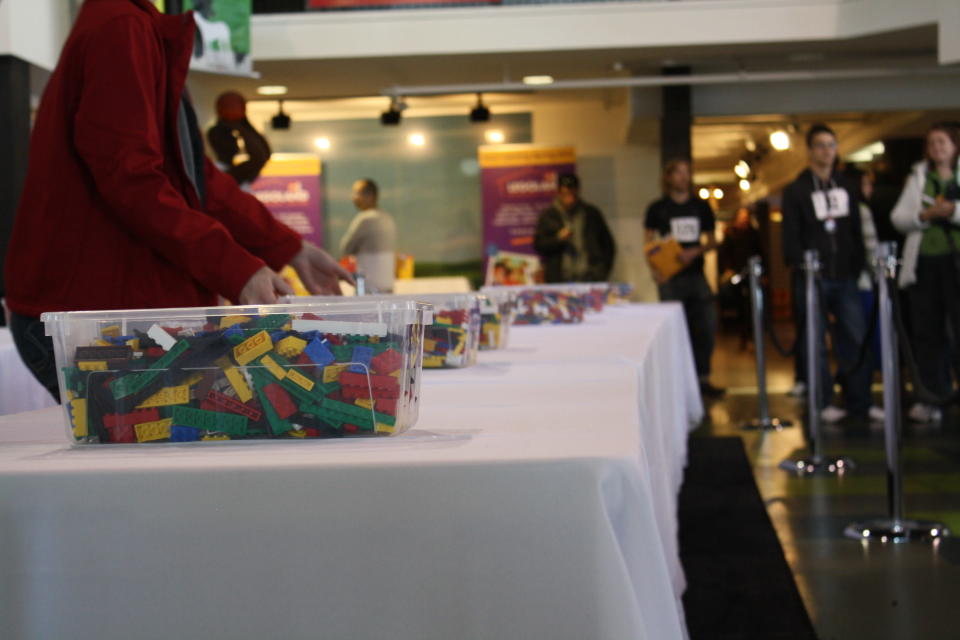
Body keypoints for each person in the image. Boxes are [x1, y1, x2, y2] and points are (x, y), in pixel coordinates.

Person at [3, 0, 351, 401]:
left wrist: (290, 249)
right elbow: (131, 178)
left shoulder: (134, 25)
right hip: (94, 316)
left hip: (107, 310)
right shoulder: (120, 25)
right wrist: (236, 268)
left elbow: (194, 178)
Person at [781, 124, 879, 423]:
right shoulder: (797, 190)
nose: (827, 151)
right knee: (815, 343)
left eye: (831, 145)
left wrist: (860, 264)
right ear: (810, 150)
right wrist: (801, 263)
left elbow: (854, 229)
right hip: (812, 277)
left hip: (846, 275)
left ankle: (860, 402)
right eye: (821, 145)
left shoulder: (847, 185)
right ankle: (822, 403)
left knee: (855, 338)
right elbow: (791, 235)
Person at [891, 122, 960, 423]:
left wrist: (953, 212)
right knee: (928, 333)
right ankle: (932, 396)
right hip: (926, 265)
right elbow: (899, 218)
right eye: (932, 143)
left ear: (955, 145)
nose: (937, 148)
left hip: (956, 262)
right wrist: (924, 215)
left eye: (942, 142)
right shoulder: (919, 177)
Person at [644, 159, 724, 398]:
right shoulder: (657, 209)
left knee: (706, 325)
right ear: (668, 177)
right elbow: (649, 243)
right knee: (674, 330)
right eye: (678, 173)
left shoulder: (700, 207)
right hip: (670, 276)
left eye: (686, 173)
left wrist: (696, 251)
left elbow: (712, 240)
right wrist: (655, 269)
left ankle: (703, 377)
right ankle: (676, 379)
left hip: (695, 274)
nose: (683, 178)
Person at [533, 173, 616, 283]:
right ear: (558, 193)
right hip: (559, 279)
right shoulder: (549, 215)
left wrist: (601, 271)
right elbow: (539, 245)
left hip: (590, 278)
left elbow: (608, 245)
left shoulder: (591, 214)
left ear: (578, 191)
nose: (570, 199)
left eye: (573, 193)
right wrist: (558, 239)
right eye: (565, 194)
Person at [339, 179, 397, 294]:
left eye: (357, 193)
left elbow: (346, 249)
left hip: (368, 289)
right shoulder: (388, 219)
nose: (353, 198)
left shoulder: (365, 219)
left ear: (370, 195)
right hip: (387, 287)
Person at [718, 207, 764, 349]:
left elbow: (761, 252)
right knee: (739, 304)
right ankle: (742, 335)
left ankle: (751, 334)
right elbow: (725, 254)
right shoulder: (730, 233)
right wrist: (728, 269)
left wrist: (763, 273)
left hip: (751, 272)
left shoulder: (753, 233)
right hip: (736, 274)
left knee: (752, 304)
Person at [207, 91, 272, 188]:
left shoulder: (229, 171)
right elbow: (259, 157)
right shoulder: (222, 175)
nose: (236, 143)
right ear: (218, 143)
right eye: (231, 139)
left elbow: (265, 154)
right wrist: (239, 124)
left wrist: (242, 123)